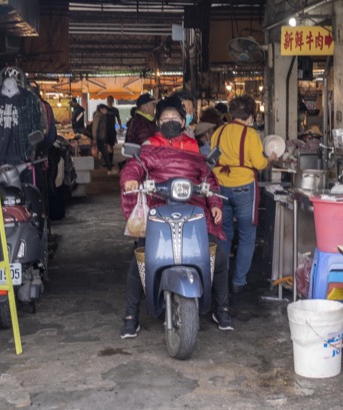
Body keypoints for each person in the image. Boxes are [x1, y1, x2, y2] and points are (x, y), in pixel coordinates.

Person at [119, 97, 233, 337]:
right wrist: (130, 178)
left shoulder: (194, 148)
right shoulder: (150, 147)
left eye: (175, 118)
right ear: (158, 122)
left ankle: (221, 308)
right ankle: (131, 315)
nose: (170, 121)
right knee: (140, 259)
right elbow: (134, 166)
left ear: (184, 121)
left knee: (219, 257)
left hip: (194, 213)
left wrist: (214, 203)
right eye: (165, 119)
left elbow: (208, 178)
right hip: (158, 212)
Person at [211, 94, 278, 293]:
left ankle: (221, 280)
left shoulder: (219, 132)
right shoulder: (251, 135)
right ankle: (238, 281)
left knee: (224, 233)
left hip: (220, 187)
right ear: (250, 116)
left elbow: (212, 158)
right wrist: (271, 158)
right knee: (247, 235)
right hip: (244, 188)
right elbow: (259, 164)